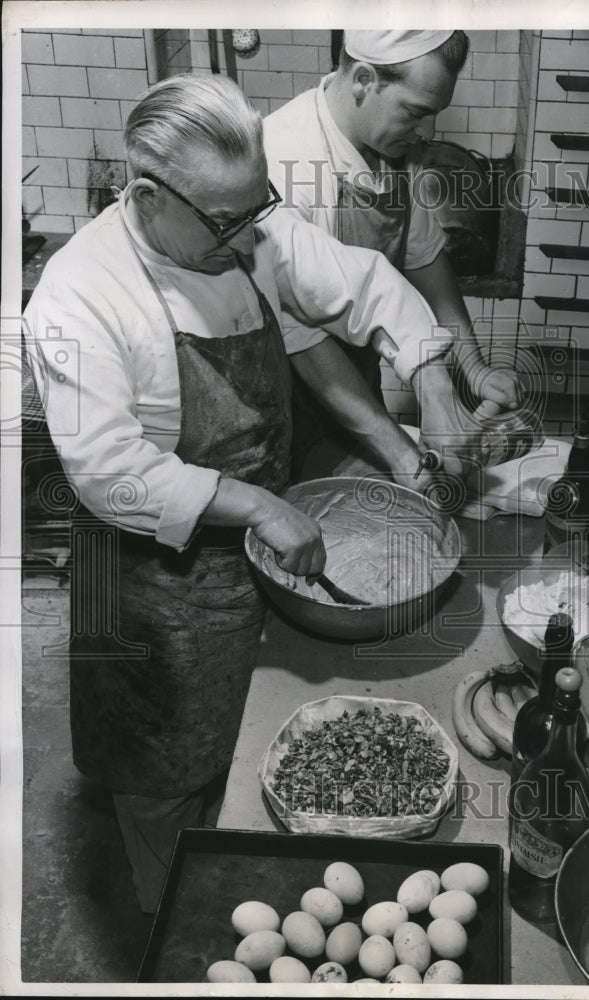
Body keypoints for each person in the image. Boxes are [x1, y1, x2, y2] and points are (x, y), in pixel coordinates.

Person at [22, 72, 460, 914]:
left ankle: (237, 869)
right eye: (226, 219)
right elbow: (108, 467)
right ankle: (173, 916)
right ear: (147, 196)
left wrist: (432, 383)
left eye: (256, 208)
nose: (248, 233)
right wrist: (260, 504)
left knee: (245, 730)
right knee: (163, 760)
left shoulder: (243, 228)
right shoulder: (81, 296)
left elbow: (362, 280)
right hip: (151, 580)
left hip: (255, 557)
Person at [264, 29, 529, 479]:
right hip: (290, 398)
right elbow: (301, 337)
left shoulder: (394, 149)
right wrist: (399, 452)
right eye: (415, 113)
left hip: (356, 385)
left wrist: (474, 371)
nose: (425, 132)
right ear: (365, 80)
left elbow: (424, 259)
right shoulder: (288, 160)